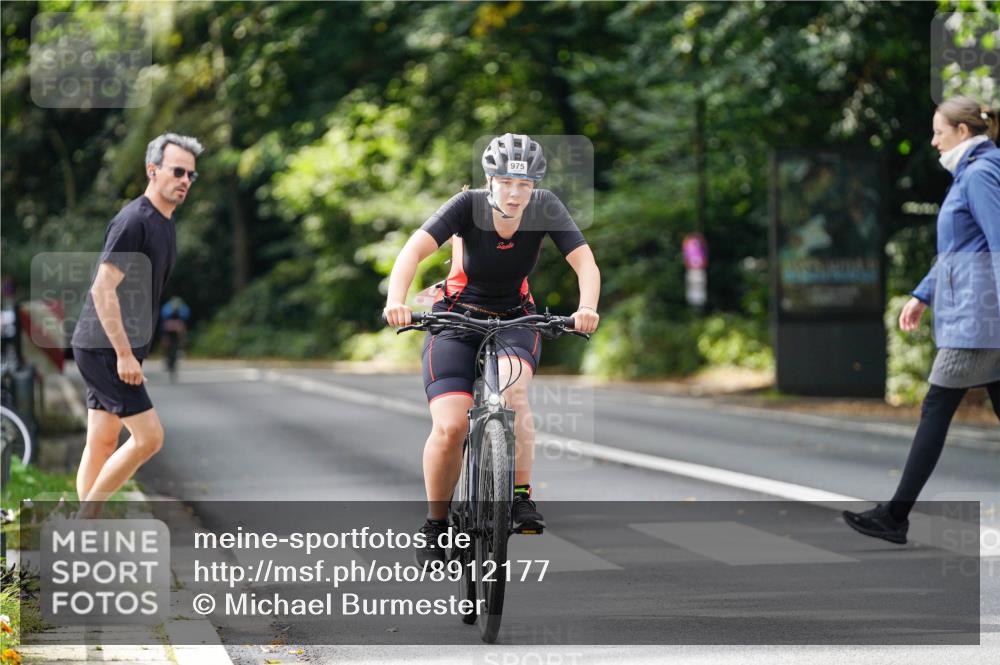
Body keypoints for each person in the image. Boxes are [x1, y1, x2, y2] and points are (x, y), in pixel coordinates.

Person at [383, 134, 601, 565]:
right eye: (506, 182)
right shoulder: (467, 207)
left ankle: (520, 496)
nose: (516, 193)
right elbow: (413, 251)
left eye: (525, 184)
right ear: (490, 180)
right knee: (450, 427)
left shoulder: (546, 207)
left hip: (516, 319)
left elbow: (585, 263)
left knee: (514, 394)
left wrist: (587, 308)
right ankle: (436, 525)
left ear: (535, 185)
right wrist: (397, 301)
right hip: (455, 318)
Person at [843, 96, 1000, 544]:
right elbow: (959, 251)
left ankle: (895, 515)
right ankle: (895, 515)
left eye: (938, 131)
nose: (932, 141)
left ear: (963, 133)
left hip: (980, 319)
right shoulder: (970, 174)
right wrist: (922, 294)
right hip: (978, 314)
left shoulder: (981, 174)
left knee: (935, 407)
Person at [71, 133, 203, 517]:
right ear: (153, 170)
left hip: (109, 345)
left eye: (191, 176)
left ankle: (83, 532)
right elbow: (102, 288)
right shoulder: (134, 221)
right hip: (105, 346)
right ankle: (84, 521)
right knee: (149, 439)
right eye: (177, 171)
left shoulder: (165, 223)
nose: (185, 181)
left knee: (102, 441)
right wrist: (125, 355)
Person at [159, 295, 190, 382]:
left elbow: (183, 323)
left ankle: (181, 346)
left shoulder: (182, 310)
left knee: (181, 329)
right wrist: (164, 336)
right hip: (168, 332)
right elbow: (164, 325)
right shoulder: (167, 310)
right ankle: (166, 356)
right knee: (166, 344)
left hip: (176, 333)